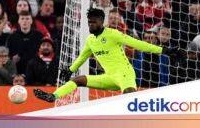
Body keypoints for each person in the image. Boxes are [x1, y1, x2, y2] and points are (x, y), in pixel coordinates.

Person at [33, 8, 183, 102]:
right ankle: (53, 96)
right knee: (77, 80)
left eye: (93, 22)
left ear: (101, 22)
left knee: (130, 100)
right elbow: (82, 57)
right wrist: (70, 70)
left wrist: (164, 50)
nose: (90, 25)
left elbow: (137, 44)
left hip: (125, 74)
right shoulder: (91, 40)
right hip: (109, 76)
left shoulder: (113, 34)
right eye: (89, 22)